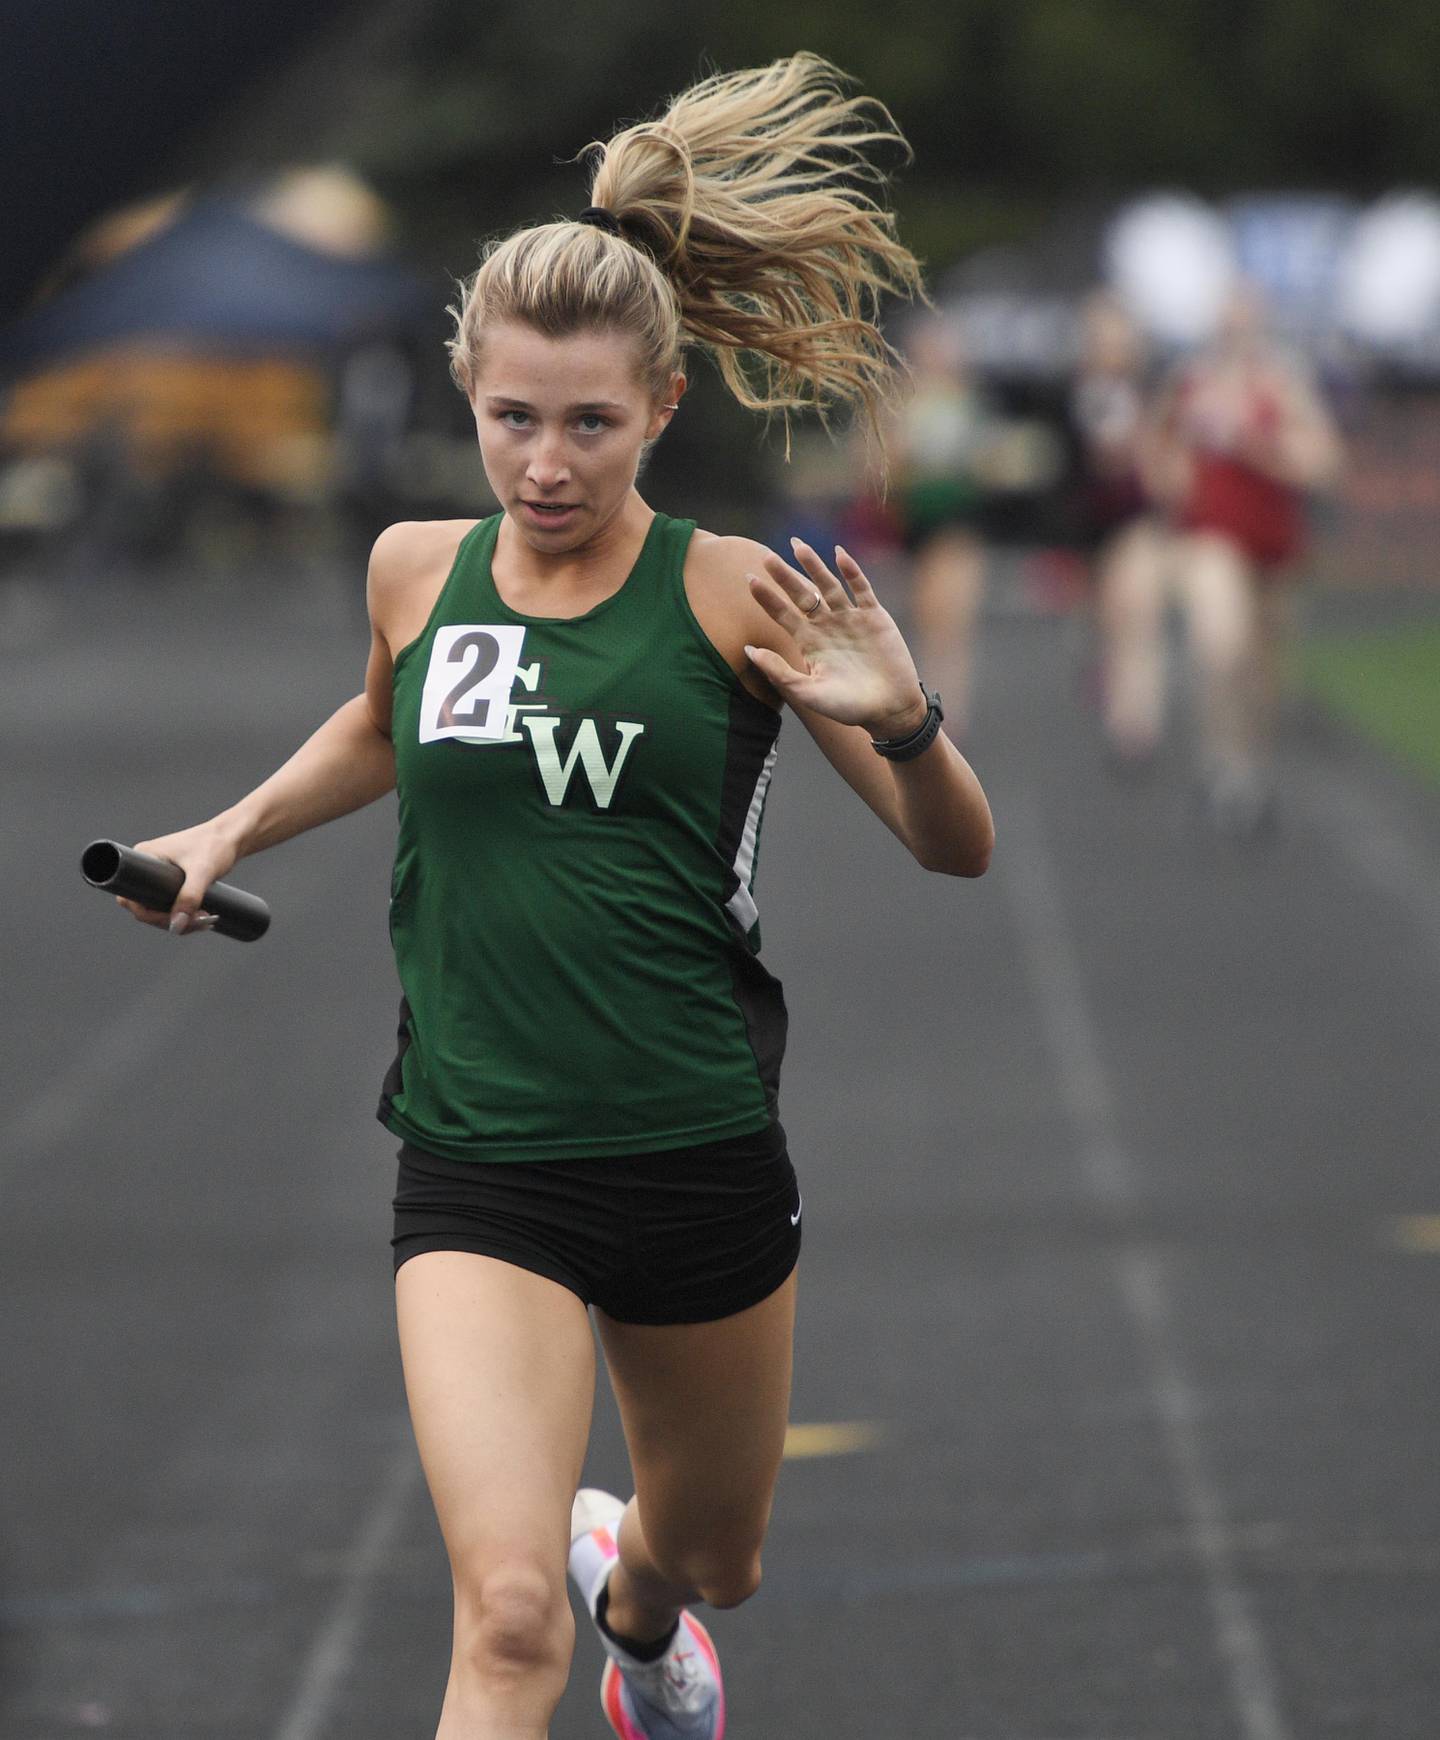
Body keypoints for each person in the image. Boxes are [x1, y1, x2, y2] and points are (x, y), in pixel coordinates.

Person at [113, 53, 994, 1740]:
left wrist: (910, 720)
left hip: (694, 1146)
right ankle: (575, 1601)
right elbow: (388, 722)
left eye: (590, 424)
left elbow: (956, 849)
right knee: (502, 1621)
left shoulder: (738, 595)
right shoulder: (414, 572)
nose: (546, 463)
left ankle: (643, 1597)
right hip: (480, 1157)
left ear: (662, 408)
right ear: (468, 394)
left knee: (717, 1553)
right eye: (513, 419)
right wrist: (228, 832)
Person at [1131, 286, 1342, 831]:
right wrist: (1170, 480)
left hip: (1272, 541)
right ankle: (1223, 766)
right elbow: (1155, 447)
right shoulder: (1189, 383)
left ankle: (1249, 764)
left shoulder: (1283, 386)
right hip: (1210, 536)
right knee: (1220, 644)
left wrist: (1254, 443)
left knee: (1264, 667)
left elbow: (1322, 463)